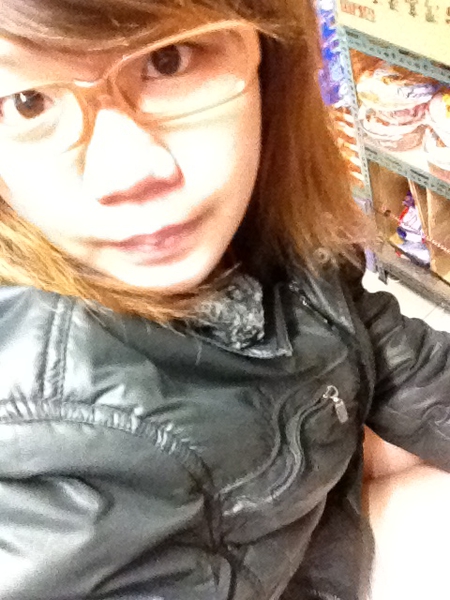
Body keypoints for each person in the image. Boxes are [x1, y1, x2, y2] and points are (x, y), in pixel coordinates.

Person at [0, 1, 448, 599]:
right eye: (28, 102)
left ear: (270, 54)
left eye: (168, 60)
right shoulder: (47, 442)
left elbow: (396, 358)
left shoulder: (262, 224)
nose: (129, 172)